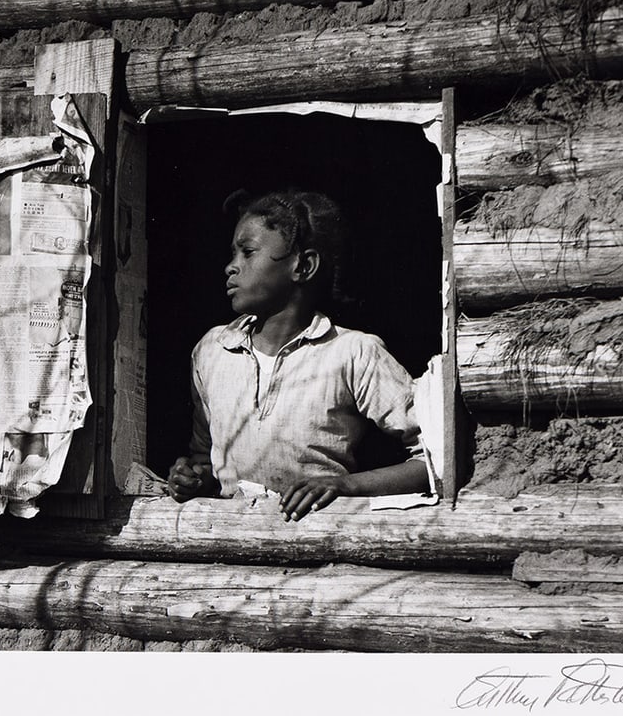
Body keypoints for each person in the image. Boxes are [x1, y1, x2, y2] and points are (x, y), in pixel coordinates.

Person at [166, 188, 431, 521]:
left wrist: (347, 485)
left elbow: (435, 458)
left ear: (303, 266)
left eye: (247, 252)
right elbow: (205, 457)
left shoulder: (352, 353)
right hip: (233, 546)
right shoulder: (213, 350)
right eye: (232, 254)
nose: (230, 267)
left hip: (316, 542)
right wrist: (192, 478)